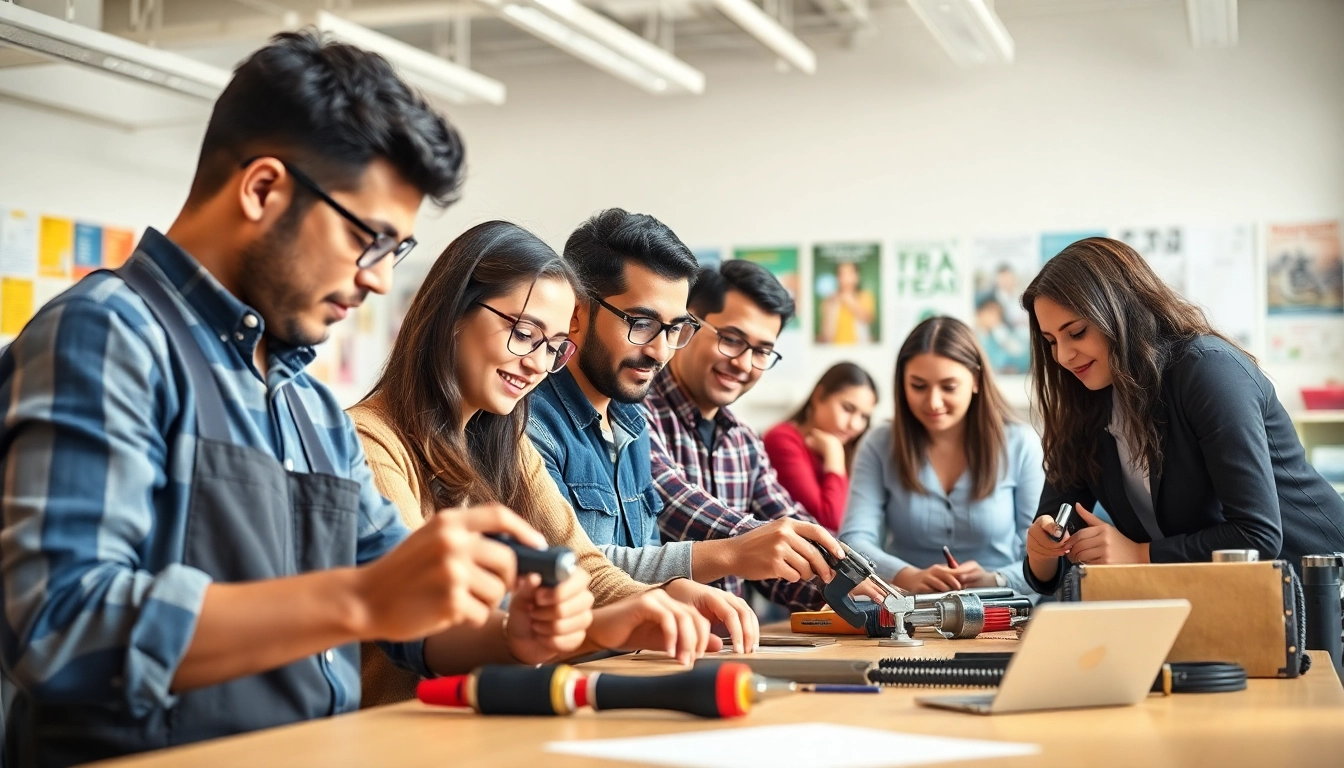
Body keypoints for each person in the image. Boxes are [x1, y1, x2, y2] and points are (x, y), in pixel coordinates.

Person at [0, 34, 691, 767]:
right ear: (263, 188)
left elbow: (411, 623)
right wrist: (357, 600)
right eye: (370, 240)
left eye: (394, 253)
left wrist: (513, 635)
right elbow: (58, 624)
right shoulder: (109, 336)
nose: (378, 281)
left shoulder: (307, 406)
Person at [352, 220, 733, 705]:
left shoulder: (503, 441)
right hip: (395, 729)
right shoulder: (372, 441)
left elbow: (585, 567)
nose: (537, 363)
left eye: (554, 347)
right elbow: (424, 617)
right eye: (524, 333)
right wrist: (596, 627)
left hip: (472, 723)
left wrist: (661, 595)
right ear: (452, 314)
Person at [528, 209, 843, 614]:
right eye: (641, 323)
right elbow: (572, 570)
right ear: (576, 314)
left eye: (674, 329)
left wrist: (851, 579)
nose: (659, 351)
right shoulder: (530, 422)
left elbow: (642, 556)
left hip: (656, 655)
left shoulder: (632, 423)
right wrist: (732, 554)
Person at [1020, 237, 1344, 595]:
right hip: (1220, 601)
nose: (1063, 356)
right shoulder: (1087, 403)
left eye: (1076, 332)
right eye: (1051, 341)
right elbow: (1047, 569)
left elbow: (1257, 536)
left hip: (1317, 590)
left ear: (1123, 311)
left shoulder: (1208, 370)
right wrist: (1042, 551)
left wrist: (1139, 554)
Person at [647, 260, 847, 611]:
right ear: (686, 325)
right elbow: (671, 501)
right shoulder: (635, 411)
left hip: (738, 646)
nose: (743, 363)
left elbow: (787, 525)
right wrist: (763, 541)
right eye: (731, 340)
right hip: (656, 649)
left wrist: (850, 582)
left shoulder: (745, 441)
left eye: (762, 351)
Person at [839, 318, 1043, 594]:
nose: (933, 402)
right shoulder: (878, 444)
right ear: (902, 384)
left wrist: (996, 579)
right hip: (909, 609)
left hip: (1001, 608)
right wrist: (905, 575)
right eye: (919, 386)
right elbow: (854, 539)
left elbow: (1043, 556)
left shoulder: (1021, 443)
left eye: (948, 387)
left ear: (976, 380)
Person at [763, 363, 878, 532]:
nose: (855, 424)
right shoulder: (782, 439)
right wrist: (835, 457)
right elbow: (828, 523)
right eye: (847, 408)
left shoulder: (854, 449)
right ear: (819, 396)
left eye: (864, 417)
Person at [818, 262, 877, 344]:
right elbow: (825, 335)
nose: (846, 278)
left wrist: (850, 301)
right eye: (842, 274)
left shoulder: (865, 296)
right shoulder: (829, 300)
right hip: (835, 350)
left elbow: (868, 319)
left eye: (850, 274)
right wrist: (832, 306)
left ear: (857, 277)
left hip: (860, 350)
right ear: (837, 278)